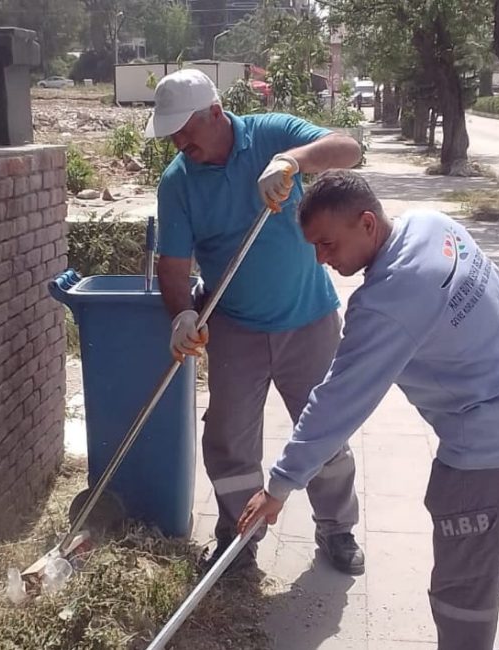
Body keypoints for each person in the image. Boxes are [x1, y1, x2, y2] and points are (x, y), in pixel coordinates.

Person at [239, 170, 499, 649]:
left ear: (367, 223)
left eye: (328, 244)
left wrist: (280, 485)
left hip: (486, 453)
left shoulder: (386, 301)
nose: (321, 258)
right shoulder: (433, 225)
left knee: (464, 587)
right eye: (314, 246)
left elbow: (338, 401)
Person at [144, 69, 366, 575]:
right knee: (228, 439)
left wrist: (292, 161)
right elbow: (173, 267)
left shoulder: (271, 133)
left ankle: (337, 529)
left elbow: (348, 148)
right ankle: (238, 539)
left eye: (185, 130)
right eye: (172, 133)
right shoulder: (177, 182)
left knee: (324, 433)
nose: (179, 142)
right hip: (235, 329)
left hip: (308, 321)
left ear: (217, 114)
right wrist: (180, 312)